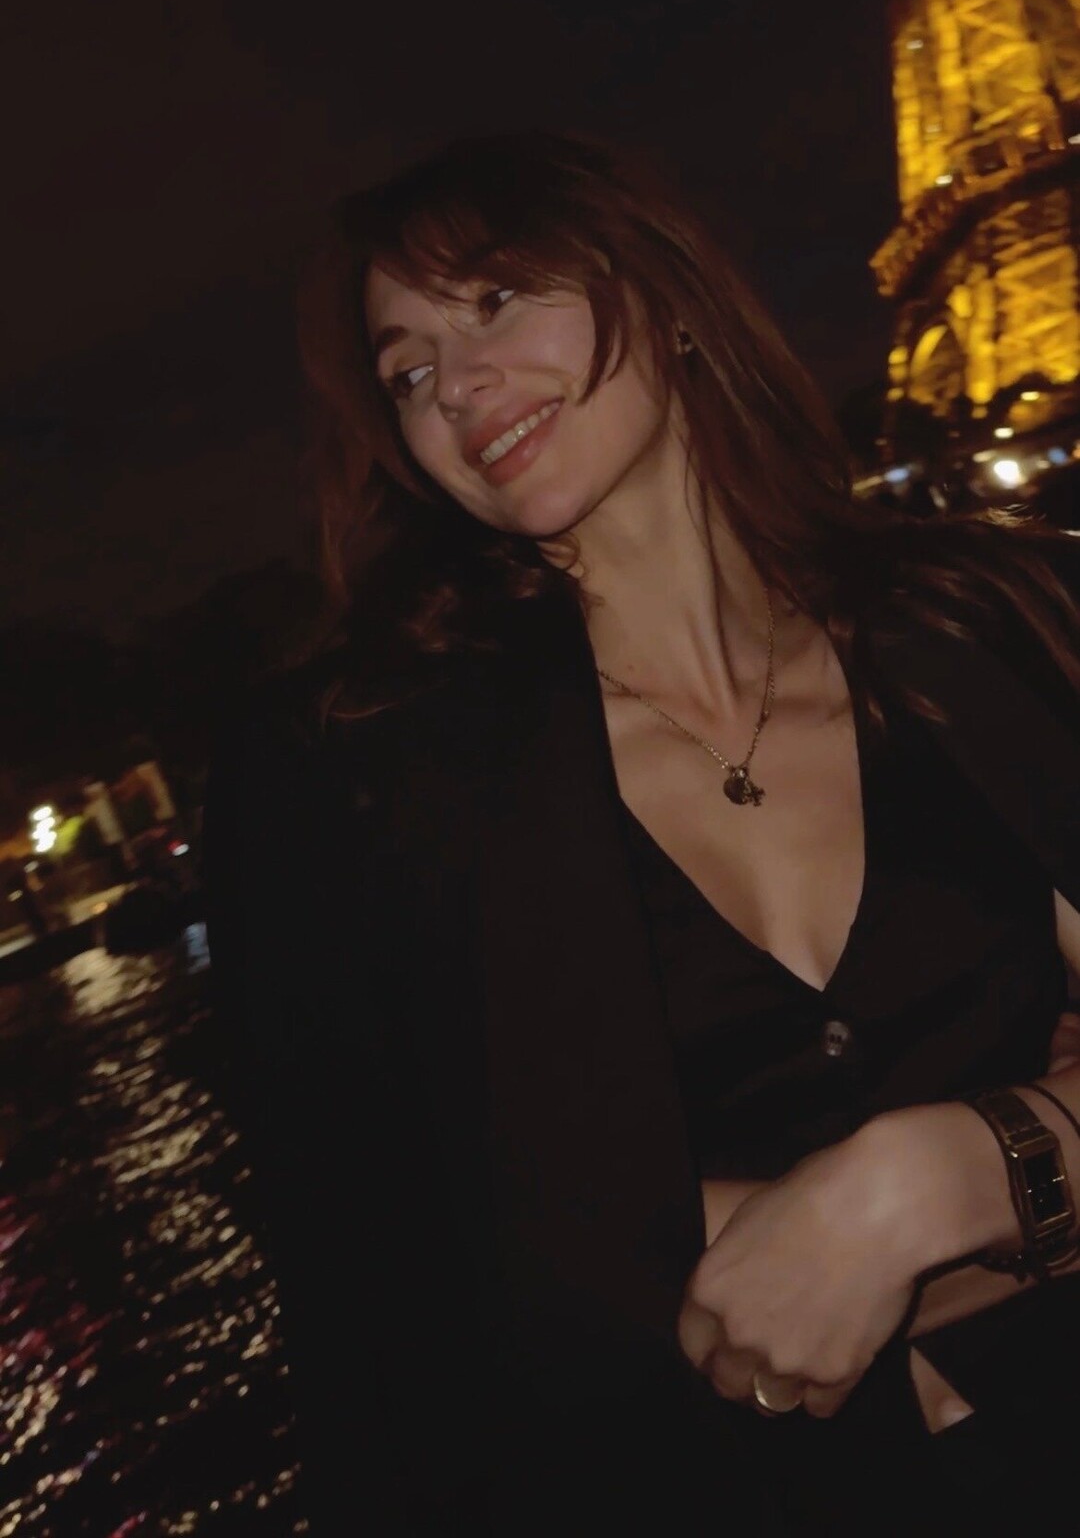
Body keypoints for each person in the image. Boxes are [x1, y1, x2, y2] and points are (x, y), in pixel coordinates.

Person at [203, 132, 1080, 1537]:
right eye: (408, 371)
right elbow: (412, 1273)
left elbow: (575, 1232)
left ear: (662, 291)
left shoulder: (994, 620)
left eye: (496, 298)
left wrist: (944, 1181)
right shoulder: (355, 784)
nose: (457, 385)